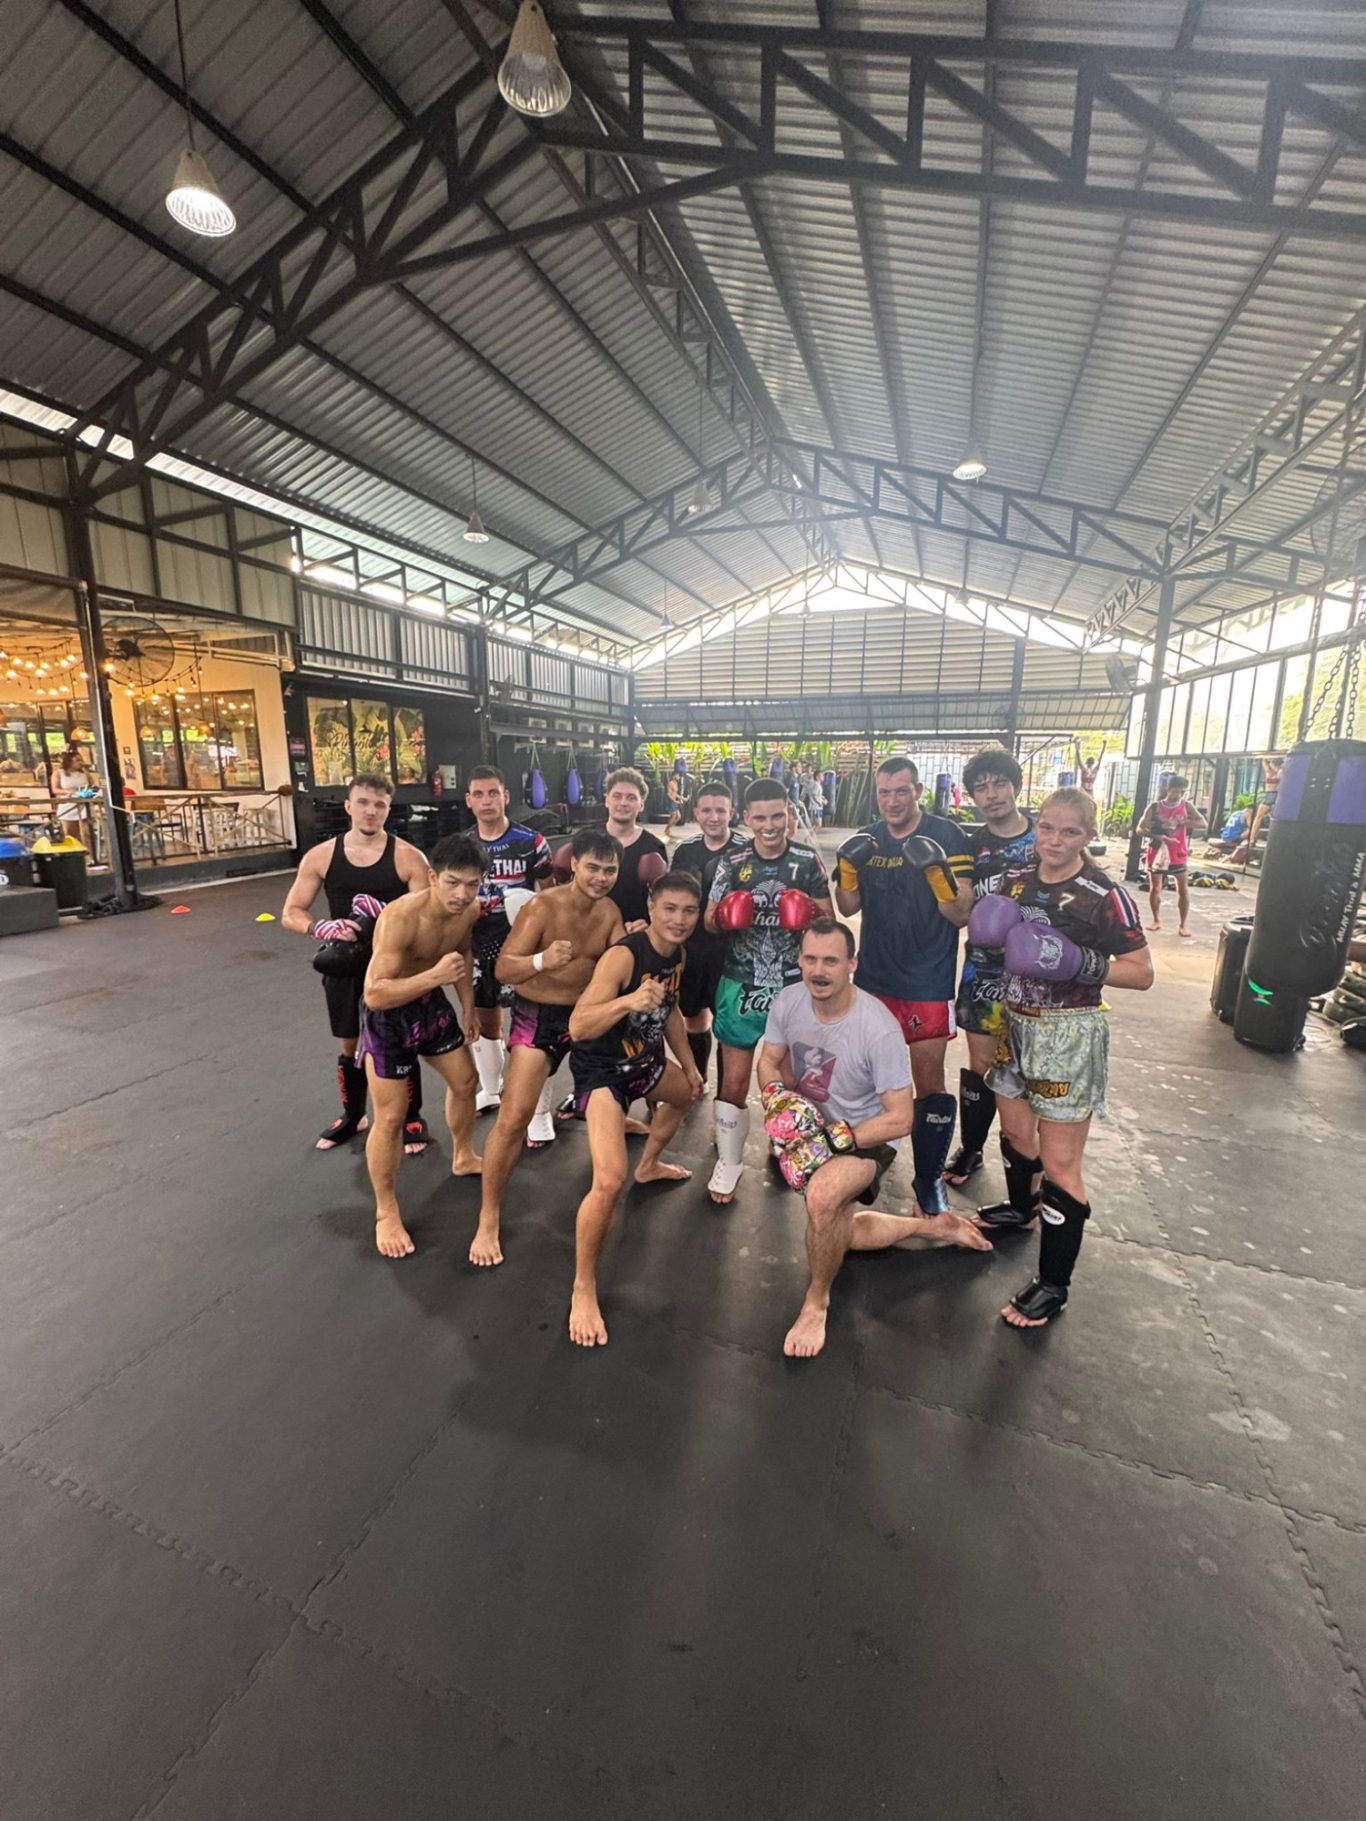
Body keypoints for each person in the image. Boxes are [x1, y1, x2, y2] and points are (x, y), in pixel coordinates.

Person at [757, 920, 992, 1359]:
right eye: (810, 959)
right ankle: (932, 1228)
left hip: (869, 1133)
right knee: (837, 1231)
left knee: (823, 1199)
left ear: (852, 964)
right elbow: (769, 1059)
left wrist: (834, 1140)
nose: (818, 971)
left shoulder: (878, 1028)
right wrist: (775, 1098)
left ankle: (816, 1302)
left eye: (831, 961)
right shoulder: (788, 1001)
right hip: (816, 1123)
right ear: (799, 961)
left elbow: (900, 1118)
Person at [969, 789, 1153, 1326]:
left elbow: (1142, 973)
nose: (1054, 840)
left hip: (1069, 1032)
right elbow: (991, 940)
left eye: (1069, 832)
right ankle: (1022, 1210)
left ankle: (1054, 1284)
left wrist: (1078, 962)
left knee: (1060, 1163)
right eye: (1047, 828)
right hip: (1014, 1023)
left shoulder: (1104, 894)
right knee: (1015, 1133)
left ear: (1088, 835)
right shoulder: (1014, 881)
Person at [469, 828, 625, 1267]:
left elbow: (623, 963)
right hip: (538, 1017)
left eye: (610, 870)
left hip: (586, 1017)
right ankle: (487, 1217)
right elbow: (503, 969)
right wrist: (542, 960)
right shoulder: (542, 907)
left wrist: (638, 938)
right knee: (513, 1117)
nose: (600, 878)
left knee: (615, 1103)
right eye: (593, 867)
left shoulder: (611, 912)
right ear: (573, 864)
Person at [832, 756, 974, 1228]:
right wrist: (846, 869)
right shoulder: (869, 837)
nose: (892, 801)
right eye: (884, 792)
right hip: (874, 977)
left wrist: (937, 873)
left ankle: (929, 1179)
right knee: (867, 1080)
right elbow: (847, 907)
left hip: (927, 979)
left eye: (901, 791)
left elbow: (961, 914)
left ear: (917, 791)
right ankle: (867, 1165)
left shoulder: (948, 836)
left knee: (927, 1082)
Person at [566, 870, 706, 1345]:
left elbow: (670, 1014)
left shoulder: (678, 954)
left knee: (686, 1094)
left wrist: (689, 1066)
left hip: (644, 1061)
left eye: (689, 911)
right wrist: (627, 1001)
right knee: (608, 1180)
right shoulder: (623, 956)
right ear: (651, 907)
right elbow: (579, 1026)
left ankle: (649, 1165)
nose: (679, 920)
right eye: (670, 909)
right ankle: (583, 1287)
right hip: (603, 1072)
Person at [282, 773, 433, 1153]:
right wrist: (321, 927)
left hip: (393, 967)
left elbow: (429, 918)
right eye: (363, 802)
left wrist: (389, 921)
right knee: (349, 1044)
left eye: (379, 804)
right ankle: (354, 1116)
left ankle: (411, 1116)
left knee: (400, 1042)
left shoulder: (408, 857)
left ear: (388, 810)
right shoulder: (321, 856)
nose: (370, 811)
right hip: (346, 964)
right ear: (349, 806)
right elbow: (291, 912)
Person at [357, 834, 487, 1258]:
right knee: (391, 1116)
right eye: (452, 882)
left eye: (472, 884)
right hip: (388, 1017)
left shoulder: (469, 910)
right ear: (432, 877)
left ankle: (463, 1155)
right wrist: (434, 977)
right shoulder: (400, 918)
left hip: (429, 1006)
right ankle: (385, 1211)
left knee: (466, 1082)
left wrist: (467, 1007)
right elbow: (375, 993)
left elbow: (462, 953)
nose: (462, 894)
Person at [704, 777, 832, 1204]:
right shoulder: (732, 861)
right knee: (735, 1079)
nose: (770, 825)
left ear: (789, 814)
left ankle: (786, 1145)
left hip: (793, 986)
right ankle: (729, 1161)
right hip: (741, 982)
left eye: (778, 815)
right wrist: (725, 916)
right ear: (747, 818)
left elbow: (830, 922)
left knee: (789, 1079)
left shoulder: (807, 860)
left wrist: (808, 913)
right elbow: (707, 919)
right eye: (760, 817)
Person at [947, 746, 1037, 1189]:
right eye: (981, 788)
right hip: (983, 971)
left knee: (1032, 1066)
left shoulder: (1045, 837)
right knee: (981, 1063)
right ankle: (972, 1147)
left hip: (1038, 975)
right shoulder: (969, 845)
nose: (992, 794)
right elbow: (960, 911)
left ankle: (1026, 1161)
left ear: (1016, 786)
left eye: (1000, 783)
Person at [464, 765, 553, 1117]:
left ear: (506, 796)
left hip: (521, 946)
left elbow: (551, 895)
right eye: (479, 794)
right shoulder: (462, 846)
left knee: (528, 1027)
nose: (487, 801)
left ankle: (534, 1111)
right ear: (469, 800)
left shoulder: (531, 842)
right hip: (477, 946)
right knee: (486, 1021)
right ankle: (491, 1089)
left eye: (493, 793)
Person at [670, 780, 750, 1084]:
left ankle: (726, 1092)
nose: (714, 817)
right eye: (707, 810)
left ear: (732, 812)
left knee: (728, 1021)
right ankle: (699, 1079)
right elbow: (673, 896)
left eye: (720, 810)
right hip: (693, 948)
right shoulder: (685, 850)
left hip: (733, 951)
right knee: (693, 1015)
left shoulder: (746, 850)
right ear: (696, 813)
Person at [1137, 773, 1207, 938]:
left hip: (1178, 851)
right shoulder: (1154, 807)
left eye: (1182, 791)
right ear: (1168, 790)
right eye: (1175, 791)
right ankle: (1155, 920)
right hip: (1157, 851)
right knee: (1155, 887)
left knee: (1182, 889)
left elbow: (1203, 823)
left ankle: (1183, 924)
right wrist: (1158, 836)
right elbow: (1140, 829)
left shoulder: (1186, 806)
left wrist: (1183, 822)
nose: (1178, 795)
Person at [599, 766, 669, 929]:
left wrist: (650, 923)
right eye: (617, 796)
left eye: (631, 798)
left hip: (635, 932)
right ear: (607, 800)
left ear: (641, 805)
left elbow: (662, 897)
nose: (623, 803)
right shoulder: (588, 840)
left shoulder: (654, 846)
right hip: (590, 930)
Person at [1248, 754, 1283, 851]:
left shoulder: (1273, 771)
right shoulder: (1276, 771)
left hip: (1272, 795)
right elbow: (1264, 760)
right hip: (1274, 795)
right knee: (1259, 817)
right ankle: (1252, 840)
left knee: (1258, 817)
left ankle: (1252, 840)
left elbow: (1265, 761)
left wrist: (1269, 760)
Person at [663, 771, 689, 836]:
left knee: (678, 817)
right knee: (674, 816)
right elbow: (669, 794)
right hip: (671, 802)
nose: (679, 777)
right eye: (678, 776)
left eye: (679, 776)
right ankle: (667, 830)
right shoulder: (671, 783)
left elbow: (675, 794)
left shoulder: (676, 783)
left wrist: (683, 798)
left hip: (674, 802)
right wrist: (674, 801)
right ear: (674, 776)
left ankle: (668, 829)